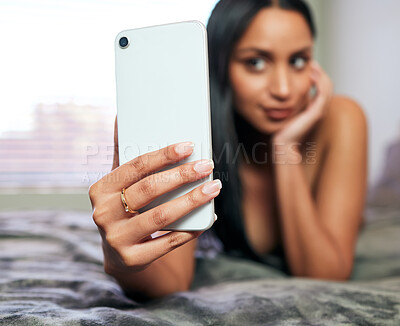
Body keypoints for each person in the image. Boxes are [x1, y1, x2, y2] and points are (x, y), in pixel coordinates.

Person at [89, 0, 368, 301]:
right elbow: (170, 281)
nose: (284, 89)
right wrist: (121, 262)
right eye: (256, 63)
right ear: (219, 66)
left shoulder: (340, 118)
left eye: (298, 61)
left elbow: (325, 276)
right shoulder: (193, 129)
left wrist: (285, 149)